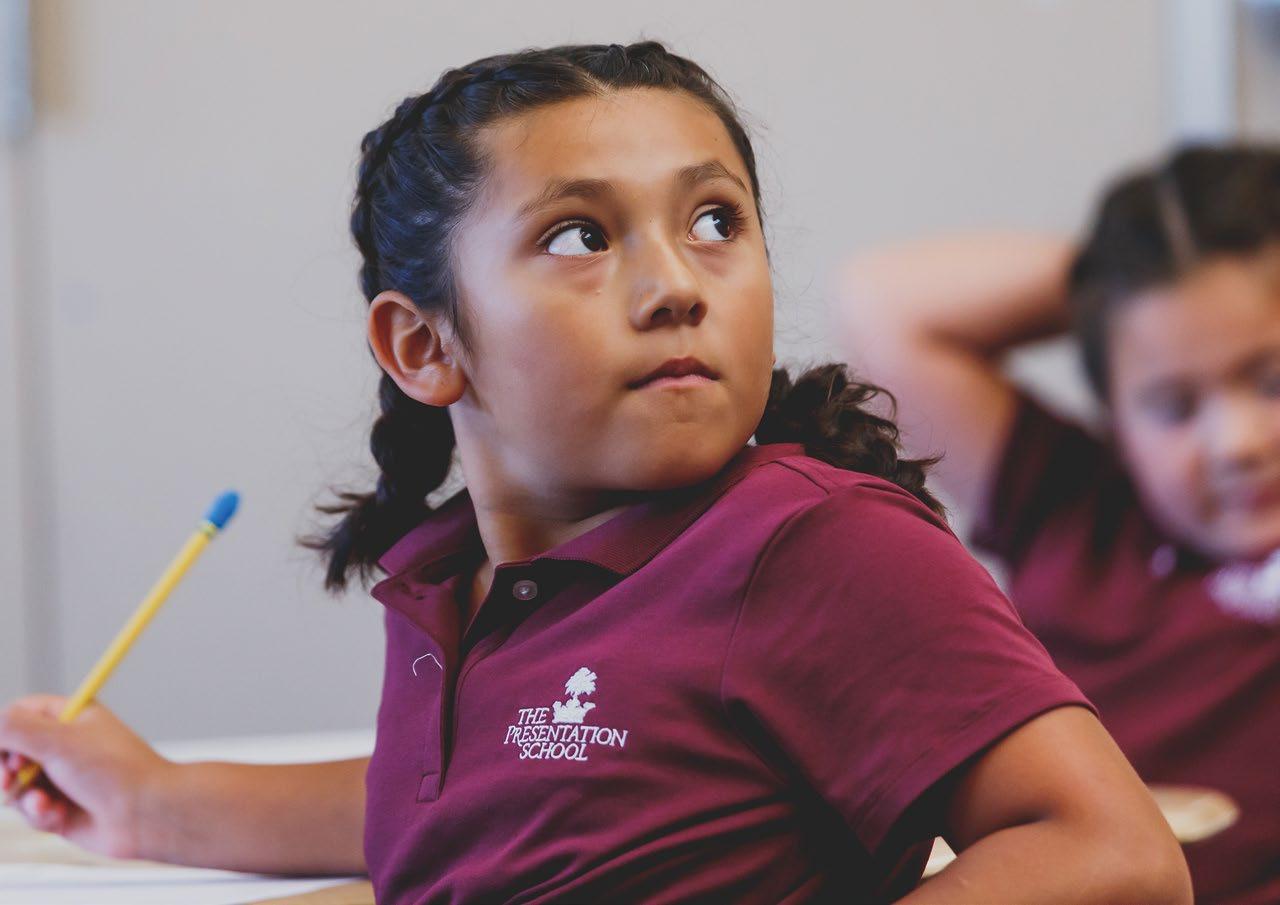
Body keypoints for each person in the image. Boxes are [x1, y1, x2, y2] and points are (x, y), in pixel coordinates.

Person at [1, 42, 1189, 904]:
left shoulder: (811, 543)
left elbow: (1111, 853)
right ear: (423, 346)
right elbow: (475, 801)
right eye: (580, 235)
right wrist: (149, 800)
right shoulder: (452, 581)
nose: (676, 284)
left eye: (714, 220)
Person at [834, 145, 1280, 905]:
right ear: (1117, 420)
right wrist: (1126, 279)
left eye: (1270, 381)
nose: (1235, 444)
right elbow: (879, 306)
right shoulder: (1077, 508)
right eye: (1173, 406)